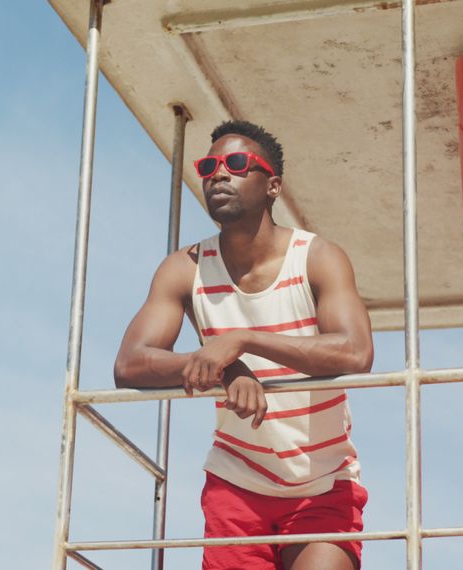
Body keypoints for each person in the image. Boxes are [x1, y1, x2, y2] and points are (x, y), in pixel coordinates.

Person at [114, 120, 374, 570]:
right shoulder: (185, 268)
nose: (218, 174)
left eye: (235, 164)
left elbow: (355, 352)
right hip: (236, 482)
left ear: (272, 185)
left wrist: (242, 341)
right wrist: (222, 367)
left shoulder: (316, 257)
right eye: (209, 165)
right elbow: (129, 364)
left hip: (323, 480)